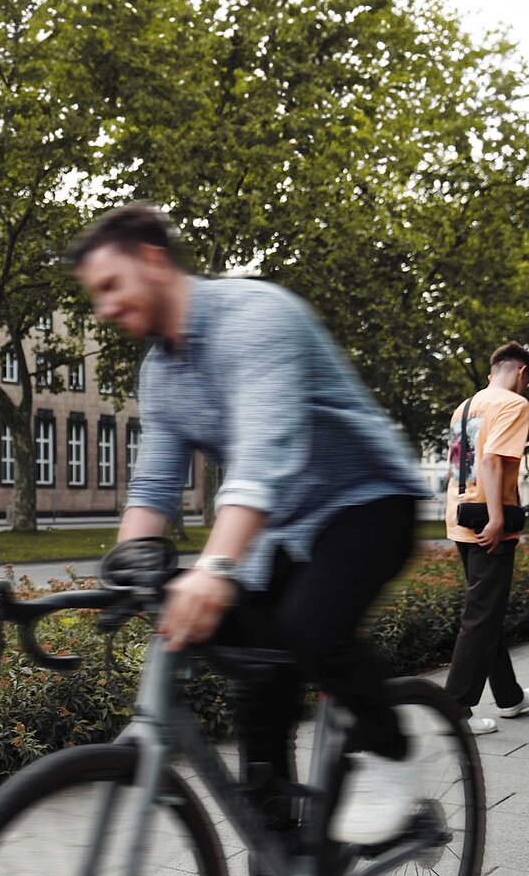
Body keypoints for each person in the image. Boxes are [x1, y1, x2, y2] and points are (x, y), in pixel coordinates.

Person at [71, 203, 427, 847]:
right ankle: (279, 841)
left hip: (366, 501)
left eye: (111, 286)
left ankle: (390, 750)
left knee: (312, 631)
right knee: (254, 667)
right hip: (282, 528)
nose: (103, 308)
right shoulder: (159, 372)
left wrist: (213, 568)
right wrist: (127, 572)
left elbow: (265, 455)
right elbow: (153, 488)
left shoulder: (257, 316)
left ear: (153, 259)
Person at [442, 343, 529, 733]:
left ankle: (509, 697)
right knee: (481, 616)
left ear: (494, 369)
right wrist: (496, 518)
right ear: (522, 373)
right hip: (489, 522)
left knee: (486, 611)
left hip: (460, 516)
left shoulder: (465, 407)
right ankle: (454, 710)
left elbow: (461, 464)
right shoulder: (514, 405)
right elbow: (492, 460)